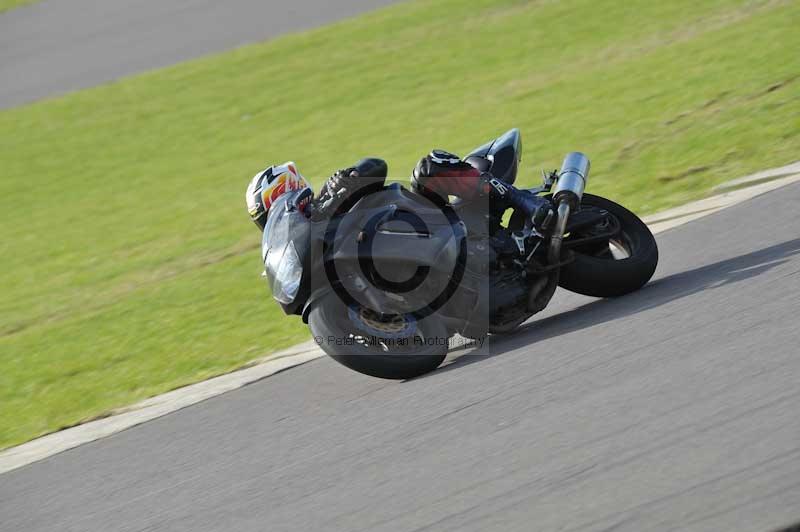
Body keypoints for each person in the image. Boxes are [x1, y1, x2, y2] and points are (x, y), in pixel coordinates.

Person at [246, 150, 549, 230]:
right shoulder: (308, 251)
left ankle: (524, 199)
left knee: (427, 168)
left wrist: (343, 182)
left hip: (424, 219)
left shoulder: (330, 194)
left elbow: (375, 166)